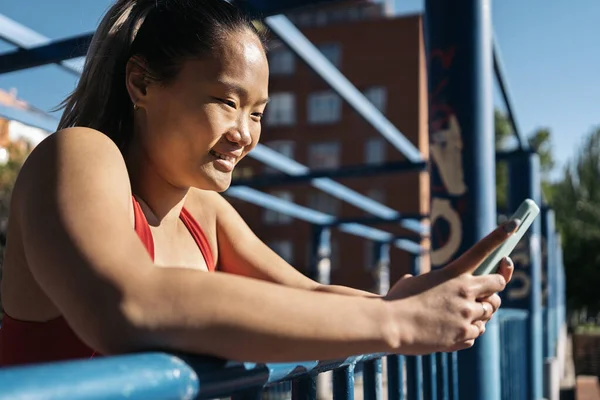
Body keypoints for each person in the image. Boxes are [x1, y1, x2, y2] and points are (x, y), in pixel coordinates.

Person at [0, 0, 516, 367]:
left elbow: (308, 294)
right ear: (141, 82)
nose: (244, 135)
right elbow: (128, 306)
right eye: (227, 102)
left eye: (259, 113)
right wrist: (399, 325)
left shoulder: (205, 211)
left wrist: (398, 303)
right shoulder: (77, 155)